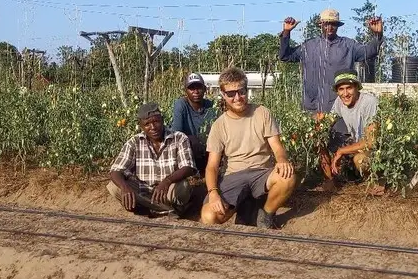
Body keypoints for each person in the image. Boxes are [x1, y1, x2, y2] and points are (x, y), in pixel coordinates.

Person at [201, 67, 297, 229]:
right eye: (231, 94)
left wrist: (281, 160)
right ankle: (244, 206)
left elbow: (277, 147)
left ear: (246, 90)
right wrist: (213, 193)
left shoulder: (262, 112)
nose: (237, 97)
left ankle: (265, 214)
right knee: (209, 217)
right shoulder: (219, 125)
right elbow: (212, 167)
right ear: (223, 95)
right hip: (234, 176)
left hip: (262, 174)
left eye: (241, 92)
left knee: (287, 176)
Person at [279, 8, 383, 115]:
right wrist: (286, 32)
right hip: (312, 108)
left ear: (338, 26)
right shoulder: (308, 46)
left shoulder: (348, 45)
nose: (329, 27)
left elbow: (370, 52)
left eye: (333, 24)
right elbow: (285, 56)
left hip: (339, 109)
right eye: (326, 24)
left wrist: (377, 35)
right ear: (320, 25)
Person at [107, 102, 196, 216]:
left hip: (167, 190)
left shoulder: (179, 138)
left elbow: (187, 167)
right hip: (143, 190)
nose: (153, 127)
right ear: (141, 126)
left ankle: (154, 210)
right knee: (114, 187)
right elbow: (116, 170)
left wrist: (166, 181)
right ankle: (167, 211)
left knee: (183, 187)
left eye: (156, 121)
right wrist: (124, 187)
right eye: (147, 124)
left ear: (162, 120)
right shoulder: (134, 142)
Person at [322, 69, 379, 183]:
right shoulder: (339, 101)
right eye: (341, 89)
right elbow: (329, 120)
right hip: (358, 144)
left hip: (377, 149)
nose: (345, 93)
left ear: (357, 87)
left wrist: (341, 151)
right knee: (320, 143)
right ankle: (330, 182)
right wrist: (318, 124)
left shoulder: (369, 102)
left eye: (349, 88)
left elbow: (371, 142)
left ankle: (376, 179)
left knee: (360, 160)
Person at [171, 72, 216, 175]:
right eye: (192, 88)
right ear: (186, 91)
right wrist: (191, 139)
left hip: (208, 150)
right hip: (188, 151)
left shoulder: (212, 106)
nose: (196, 91)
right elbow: (176, 133)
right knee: (191, 141)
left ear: (204, 89)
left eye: (199, 88)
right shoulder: (181, 104)